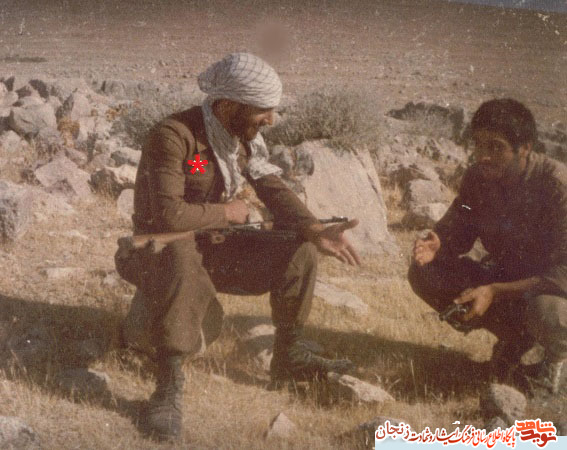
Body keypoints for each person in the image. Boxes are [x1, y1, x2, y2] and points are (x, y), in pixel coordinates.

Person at [121, 52, 360, 440]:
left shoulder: (236, 140)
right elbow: (168, 216)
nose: (271, 120)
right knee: (181, 256)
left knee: (300, 249)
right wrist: (228, 212)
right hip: (156, 252)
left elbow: (269, 186)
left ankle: (288, 356)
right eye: (263, 111)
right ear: (229, 105)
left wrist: (315, 229)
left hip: (211, 249)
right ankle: (167, 384)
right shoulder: (173, 136)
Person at [408, 98, 567, 396]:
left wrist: (494, 291)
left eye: (496, 147)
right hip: (509, 279)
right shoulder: (478, 178)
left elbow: (562, 275)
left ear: (525, 148)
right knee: (425, 272)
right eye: (479, 145)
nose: (484, 156)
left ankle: (556, 363)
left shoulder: (557, 186)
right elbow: (461, 223)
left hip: (552, 290)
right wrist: (439, 242)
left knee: (550, 312)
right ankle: (515, 341)